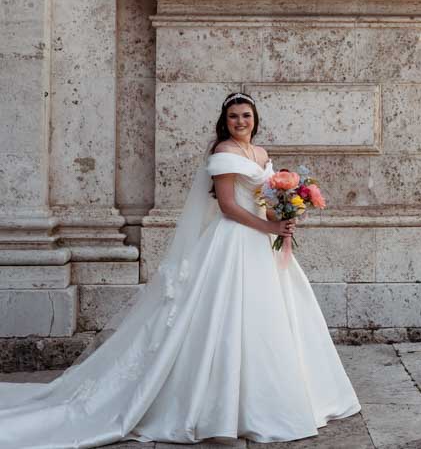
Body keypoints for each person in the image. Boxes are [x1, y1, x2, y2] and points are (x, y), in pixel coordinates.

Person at [0, 92, 360, 446]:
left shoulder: (262, 154)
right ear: (225, 121)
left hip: (261, 244)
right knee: (225, 318)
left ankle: (272, 401)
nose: (240, 122)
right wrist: (268, 227)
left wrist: (283, 217)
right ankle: (216, 414)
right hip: (233, 240)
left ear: (255, 120)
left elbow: (262, 202)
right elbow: (230, 206)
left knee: (269, 318)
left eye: (246, 116)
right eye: (234, 116)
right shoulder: (223, 153)